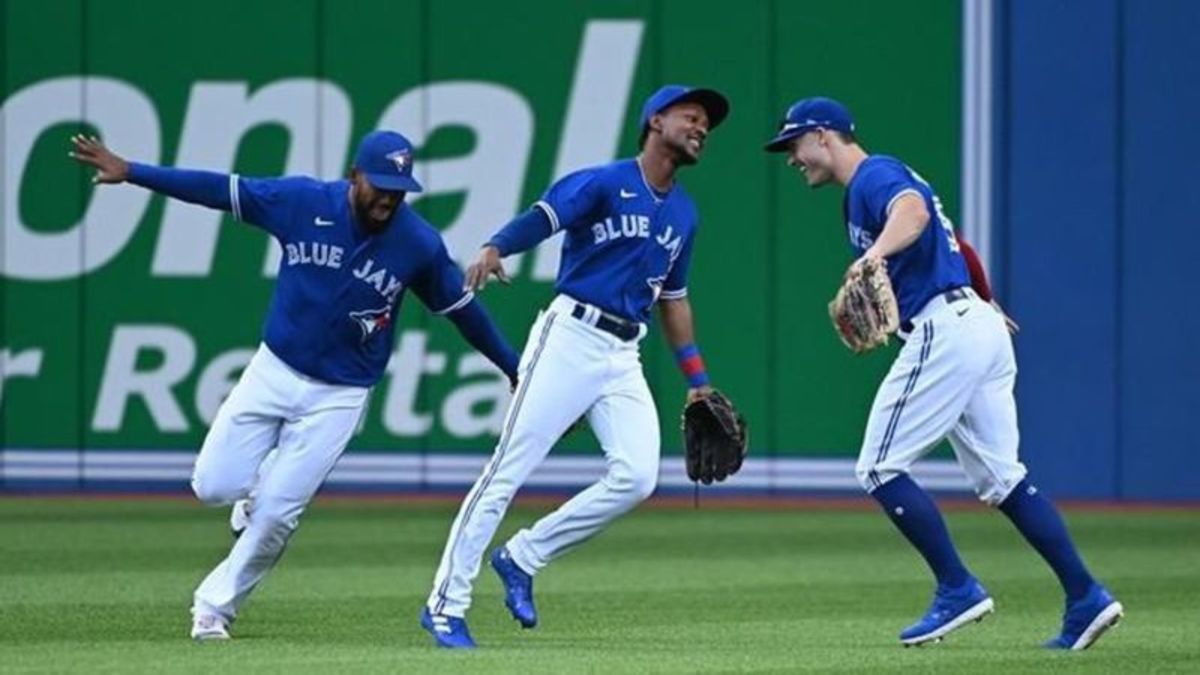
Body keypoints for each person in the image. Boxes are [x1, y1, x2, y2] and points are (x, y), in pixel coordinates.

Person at [69, 130, 520, 640]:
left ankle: (214, 608)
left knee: (279, 515)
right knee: (212, 485)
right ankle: (253, 496)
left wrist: (513, 367)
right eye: (381, 184)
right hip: (275, 370)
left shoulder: (417, 243)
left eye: (400, 187)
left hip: (341, 394)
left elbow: (462, 311)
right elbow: (219, 190)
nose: (390, 196)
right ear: (355, 176)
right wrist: (132, 172)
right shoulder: (302, 202)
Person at [764, 97, 1122, 650]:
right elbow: (960, 243)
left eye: (794, 144)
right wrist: (987, 301)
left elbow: (914, 214)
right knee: (1004, 479)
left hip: (945, 329)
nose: (792, 158)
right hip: (975, 325)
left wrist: (873, 257)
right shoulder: (876, 182)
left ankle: (957, 588)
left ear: (823, 135)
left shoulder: (872, 175)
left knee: (879, 466)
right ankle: (1086, 597)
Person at [419, 85, 730, 649]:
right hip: (570, 338)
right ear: (655, 120)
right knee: (505, 471)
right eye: (691, 115)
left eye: (707, 122)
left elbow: (674, 299)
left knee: (637, 477)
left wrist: (698, 381)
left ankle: (522, 556)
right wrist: (496, 246)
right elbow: (546, 215)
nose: (701, 127)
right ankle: (445, 606)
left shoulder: (685, 212)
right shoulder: (605, 181)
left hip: (622, 353)